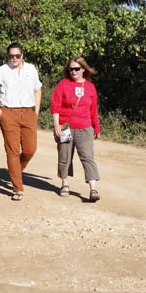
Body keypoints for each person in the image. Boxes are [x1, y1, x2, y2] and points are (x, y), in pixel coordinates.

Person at [0, 43, 42, 201]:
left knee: (30, 149)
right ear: (7, 56)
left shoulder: (31, 69)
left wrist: (36, 110)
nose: (14, 58)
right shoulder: (0, 71)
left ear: (22, 55)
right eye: (11, 56)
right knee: (12, 151)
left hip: (29, 112)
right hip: (8, 112)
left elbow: (37, 89)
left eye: (17, 56)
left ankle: (16, 171)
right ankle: (18, 188)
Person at [51, 56, 102, 201]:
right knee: (64, 156)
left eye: (76, 69)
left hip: (85, 127)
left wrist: (96, 128)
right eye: (71, 69)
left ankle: (93, 189)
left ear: (83, 69)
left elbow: (93, 110)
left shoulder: (90, 87)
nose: (73, 71)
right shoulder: (63, 84)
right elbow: (56, 105)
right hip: (65, 127)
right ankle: (65, 183)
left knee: (87, 157)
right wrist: (56, 125)